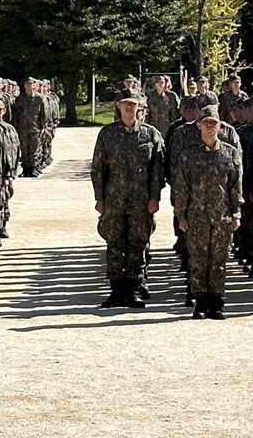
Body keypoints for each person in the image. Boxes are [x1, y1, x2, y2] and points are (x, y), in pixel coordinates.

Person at [90, 90, 164, 308]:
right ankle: (116, 290)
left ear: (140, 107)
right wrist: (99, 198)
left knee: (138, 245)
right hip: (114, 199)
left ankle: (134, 289)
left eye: (133, 104)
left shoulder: (151, 135)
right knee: (114, 244)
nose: (129, 107)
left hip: (141, 201)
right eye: (125, 104)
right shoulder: (107, 134)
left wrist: (154, 197)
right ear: (118, 106)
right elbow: (98, 169)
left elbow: (157, 171)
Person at [172, 107, 242, 319]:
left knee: (219, 260)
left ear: (220, 126)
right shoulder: (189, 154)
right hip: (197, 216)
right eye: (206, 123)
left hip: (222, 216)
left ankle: (217, 302)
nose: (210, 127)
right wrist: (181, 215)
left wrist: (236, 212)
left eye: (214, 123)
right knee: (199, 260)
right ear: (199, 125)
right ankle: (200, 301)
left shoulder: (229, 153)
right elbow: (181, 187)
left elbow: (235, 185)